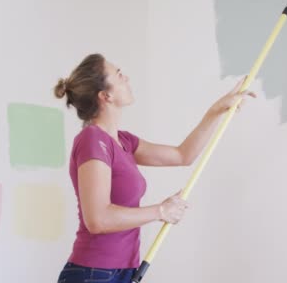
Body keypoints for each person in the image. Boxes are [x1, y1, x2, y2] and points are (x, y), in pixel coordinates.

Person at [53, 53, 255, 282]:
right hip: (94, 273)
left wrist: (216, 111)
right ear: (105, 95)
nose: (126, 78)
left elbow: (183, 155)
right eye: (119, 75)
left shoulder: (124, 142)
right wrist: (160, 211)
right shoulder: (92, 140)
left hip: (124, 271)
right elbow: (98, 219)